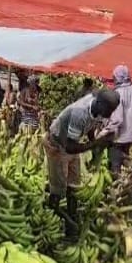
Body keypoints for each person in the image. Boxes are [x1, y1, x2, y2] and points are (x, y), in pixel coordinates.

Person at [44, 89, 120, 239]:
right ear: (99, 103)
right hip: (58, 145)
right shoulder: (80, 113)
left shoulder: (97, 108)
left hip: (72, 144)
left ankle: (72, 216)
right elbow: (69, 147)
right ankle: (51, 217)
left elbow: (91, 126)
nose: (110, 115)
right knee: (59, 186)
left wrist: (94, 142)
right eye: (108, 110)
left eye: (112, 111)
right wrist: (96, 143)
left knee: (74, 184)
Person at [102, 65, 132, 175]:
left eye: (114, 77)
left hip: (118, 137)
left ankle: (117, 187)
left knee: (115, 166)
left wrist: (104, 131)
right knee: (127, 162)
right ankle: (130, 181)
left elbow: (117, 119)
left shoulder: (117, 94)